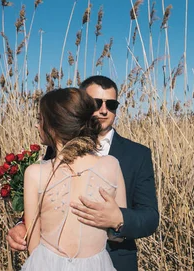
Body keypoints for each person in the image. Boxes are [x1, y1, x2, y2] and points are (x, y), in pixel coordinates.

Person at [9, 75, 159, 271]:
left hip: (113, 262)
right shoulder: (52, 153)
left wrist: (119, 219)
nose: (104, 110)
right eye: (97, 103)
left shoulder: (137, 155)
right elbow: (47, 201)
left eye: (112, 104)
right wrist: (24, 224)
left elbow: (150, 216)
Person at [21, 87, 126, 270]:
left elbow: (32, 242)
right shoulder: (111, 165)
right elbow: (118, 235)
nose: (37, 126)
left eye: (40, 120)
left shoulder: (34, 173)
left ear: (54, 126)